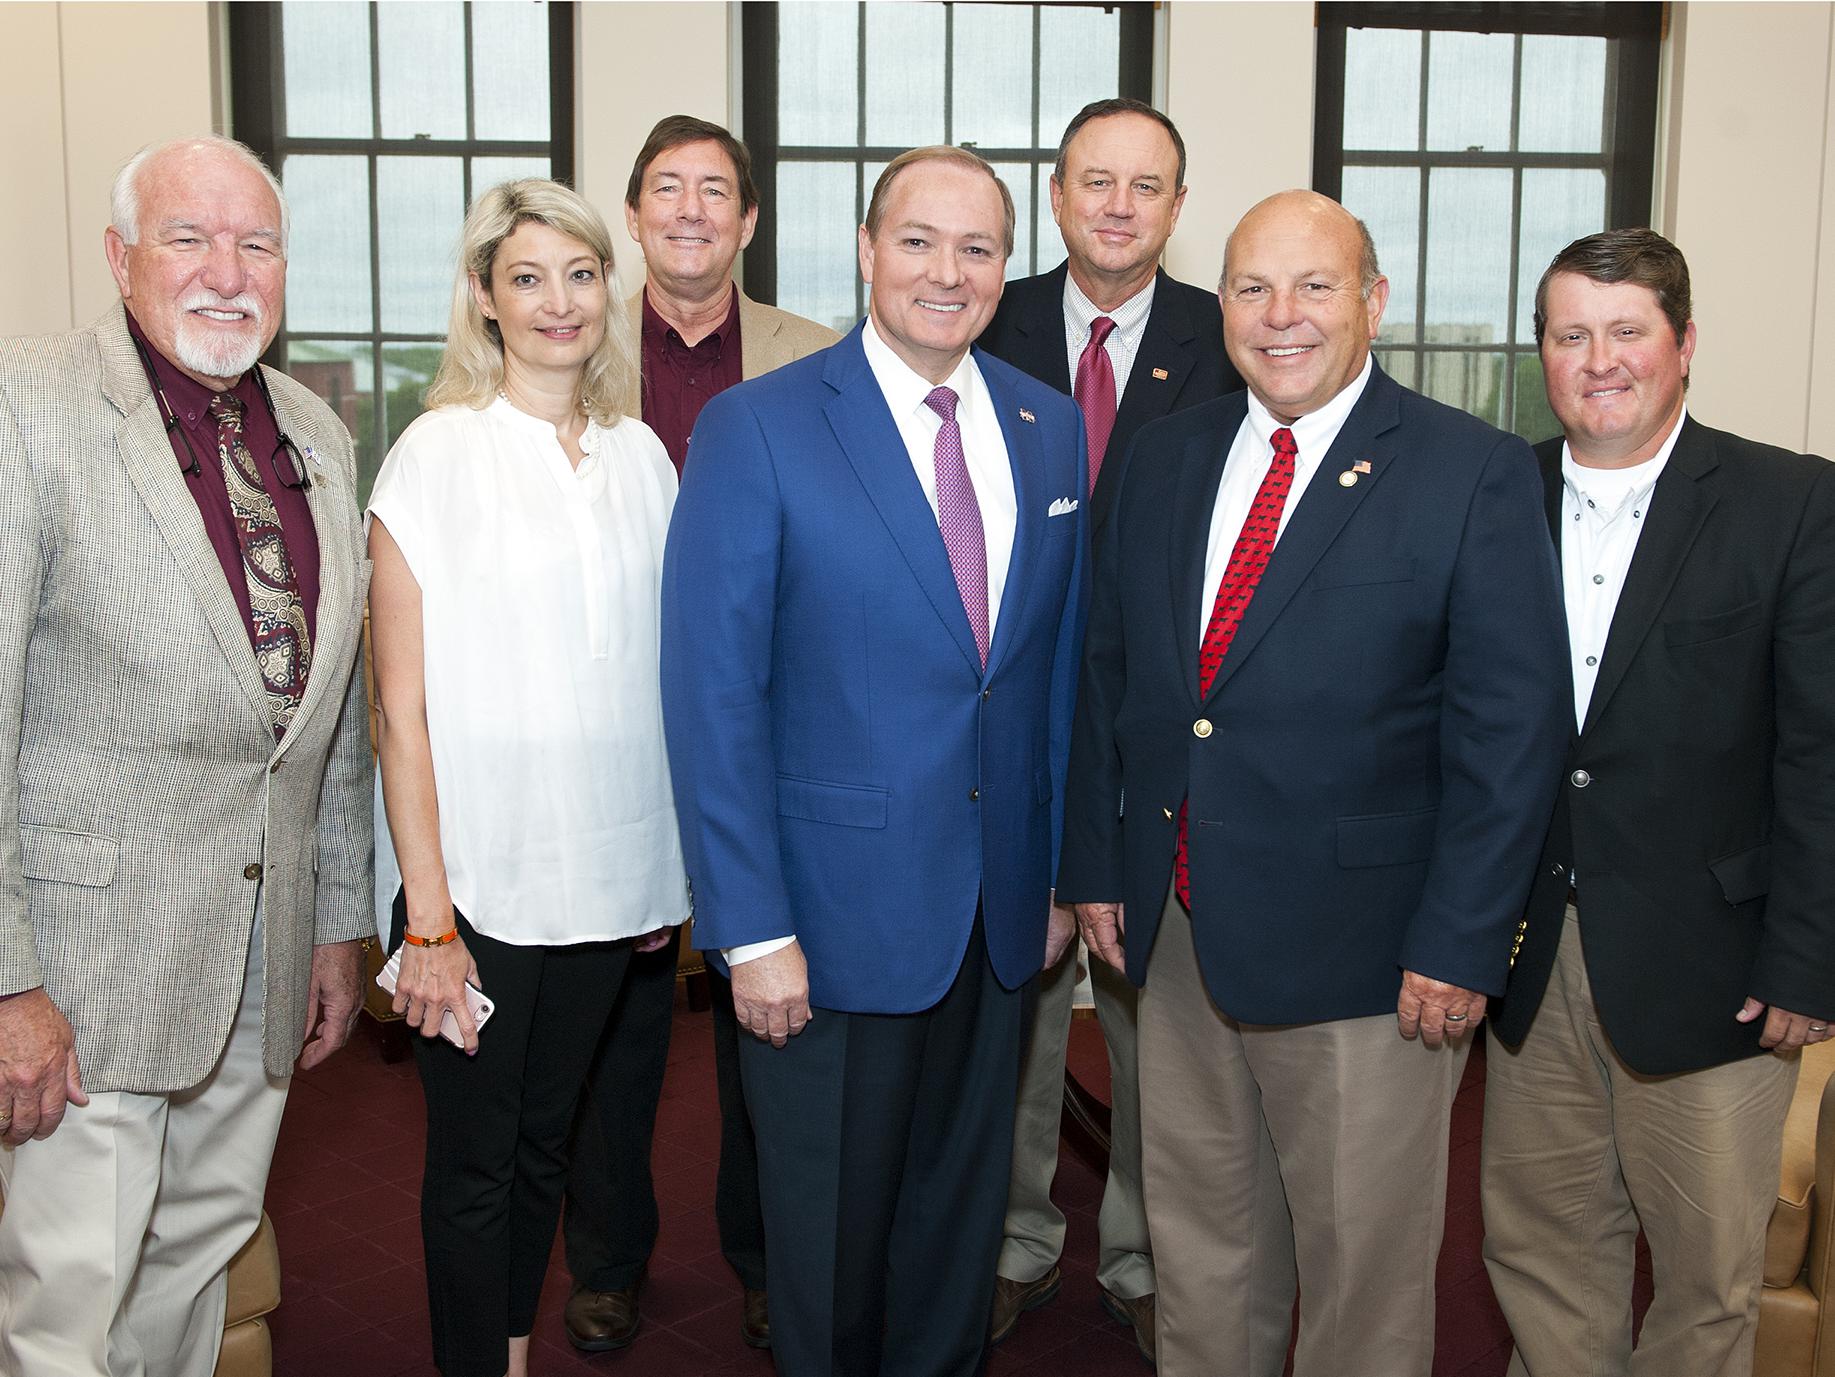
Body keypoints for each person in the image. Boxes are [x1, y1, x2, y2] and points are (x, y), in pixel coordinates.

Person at [1055, 188, 1569, 1377]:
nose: (1278, 316)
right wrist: (1095, 865)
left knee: (1359, 1278)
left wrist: (1460, 941)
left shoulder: (1468, 471)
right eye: (1249, 288)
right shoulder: (1164, 454)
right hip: (1173, 936)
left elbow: (1510, 736)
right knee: (1200, 1250)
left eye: (1313, 286)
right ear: (1217, 303)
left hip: (1370, 961)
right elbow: (1110, 679)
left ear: (1372, 303)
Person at [661, 145, 1088, 1377]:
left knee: (957, 1235)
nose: (945, 273)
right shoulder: (758, 428)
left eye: (975, 249)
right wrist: (747, 930)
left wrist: (1055, 875)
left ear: (1005, 269)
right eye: (917, 241)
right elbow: (711, 697)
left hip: (996, 920)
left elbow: (1049, 672)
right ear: (864, 249)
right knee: (831, 1249)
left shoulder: (1044, 430)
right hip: (825, 929)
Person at [0, 134, 373, 1375]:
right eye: (188, 238)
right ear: (120, 259)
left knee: (198, 1269)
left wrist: (334, 921)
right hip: (86, 975)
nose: (228, 271)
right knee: (73, 1305)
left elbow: (325, 715)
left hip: (261, 963)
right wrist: (8, 983)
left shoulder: (317, 430)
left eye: (256, 243)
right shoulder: (28, 405)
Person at [1483, 228, 1835, 1377]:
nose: (1599, 360)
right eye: (1569, 334)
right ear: (1540, 351)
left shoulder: (1791, 502)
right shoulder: (1497, 496)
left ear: (1682, 345)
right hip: (1532, 957)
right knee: (1541, 1254)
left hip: (1716, 971)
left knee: (1703, 1279)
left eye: (1625, 331)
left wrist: (1806, 960)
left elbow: (1820, 753)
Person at [368, 178, 689, 1377]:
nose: (559, 302)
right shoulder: (435, 454)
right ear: (484, 300)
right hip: (481, 890)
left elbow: (658, 684)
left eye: (581, 273)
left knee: (549, 1143)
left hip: (609, 883)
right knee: (474, 1165)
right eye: (527, 278)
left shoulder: (643, 457)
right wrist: (430, 919)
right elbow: (399, 710)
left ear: (613, 288)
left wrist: (667, 872)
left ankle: (506, 1353)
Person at [561, 114, 837, 1356]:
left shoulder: (811, 358)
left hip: (766, 734)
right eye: (665, 189)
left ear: (747, 221)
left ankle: (768, 1255)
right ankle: (608, 1260)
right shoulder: (567, 341)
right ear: (630, 216)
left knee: (763, 1017)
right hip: (606, 732)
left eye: (714, 191)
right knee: (612, 1028)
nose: (689, 211)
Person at [977, 95, 1239, 1362]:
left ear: (1176, 208)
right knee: (1013, 1013)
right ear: (1058, 192)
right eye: (1095, 181)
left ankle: (1141, 1257)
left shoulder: (1225, 333)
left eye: (1146, 185)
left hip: (1156, 739)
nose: (1119, 205)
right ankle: (1014, 1244)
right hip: (1011, 734)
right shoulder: (984, 316)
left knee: (1155, 1031)